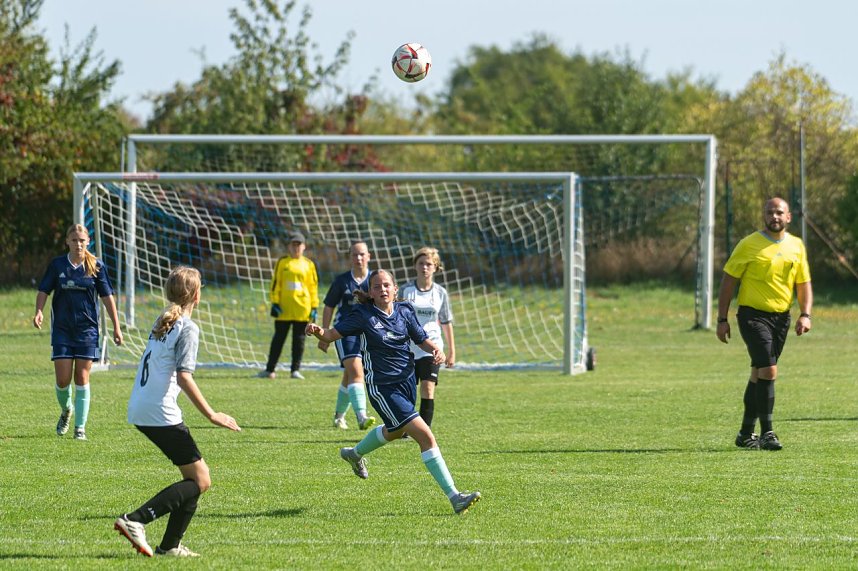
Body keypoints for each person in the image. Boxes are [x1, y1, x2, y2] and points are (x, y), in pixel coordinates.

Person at [306, 269, 480, 515]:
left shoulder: (404, 312)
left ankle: (354, 454)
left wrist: (436, 350)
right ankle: (455, 497)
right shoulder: (363, 315)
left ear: (395, 289)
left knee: (396, 432)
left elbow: (420, 338)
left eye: (387, 285)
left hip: (406, 382)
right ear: (371, 293)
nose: (383, 289)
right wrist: (317, 331)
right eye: (377, 286)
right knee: (426, 437)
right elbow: (332, 334)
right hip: (382, 387)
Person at [114, 266, 241, 558]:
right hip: (159, 411)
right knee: (202, 480)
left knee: (194, 479)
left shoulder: (163, 320)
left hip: (141, 406)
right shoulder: (187, 327)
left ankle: (170, 546)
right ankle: (136, 519)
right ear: (197, 295)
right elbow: (184, 377)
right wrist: (213, 415)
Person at [716, 197, 813, 451]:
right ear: (764, 216)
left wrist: (805, 314)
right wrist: (722, 319)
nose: (774, 217)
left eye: (779, 212)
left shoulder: (796, 246)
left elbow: (803, 283)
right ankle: (768, 432)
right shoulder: (749, 244)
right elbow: (728, 282)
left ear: (788, 217)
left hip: (781, 318)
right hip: (752, 316)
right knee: (769, 370)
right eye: (770, 212)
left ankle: (745, 434)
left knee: (759, 374)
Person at [33, 223, 123, 441]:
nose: (78, 244)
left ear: (88, 242)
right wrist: (38, 311)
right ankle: (66, 410)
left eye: (82, 240)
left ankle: (80, 428)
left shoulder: (96, 266)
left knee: (82, 376)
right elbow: (44, 289)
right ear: (67, 242)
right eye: (74, 240)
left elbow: (107, 297)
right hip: (62, 330)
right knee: (63, 380)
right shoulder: (57, 265)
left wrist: (116, 327)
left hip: (87, 330)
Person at [317, 241, 376, 430]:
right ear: (350, 257)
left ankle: (338, 417)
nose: (358, 258)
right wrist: (325, 334)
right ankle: (362, 416)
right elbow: (329, 307)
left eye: (362, 254)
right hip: (345, 332)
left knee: (349, 375)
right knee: (357, 372)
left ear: (369, 256)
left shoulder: (375, 281)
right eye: (354, 255)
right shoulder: (342, 281)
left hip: (367, 333)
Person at [399, 247, 456, 428]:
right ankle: (407, 427)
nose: (424, 267)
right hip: (408, 347)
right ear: (415, 266)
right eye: (421, 263)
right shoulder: (405, 291)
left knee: (428, 387)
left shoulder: (440, 293)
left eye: (428, 264)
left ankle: (425, 430)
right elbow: (395, 317)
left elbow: (446, 322)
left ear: (435, 267)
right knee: (408, 391)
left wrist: (451, 351)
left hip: (432, 347)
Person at [259, 231, 319, 380]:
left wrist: (314, 307)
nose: (296, 248)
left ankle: (295, 370)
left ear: (304, 247)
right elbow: (275, 284)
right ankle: (270, 370)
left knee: (299, 340)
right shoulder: (282, 262)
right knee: (278, 339)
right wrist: (275, 302)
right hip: (283, 309)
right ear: (289, 246)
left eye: (299, 245)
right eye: (293, 244)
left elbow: (313, 287)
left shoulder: (308, 265)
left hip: (302, 309)